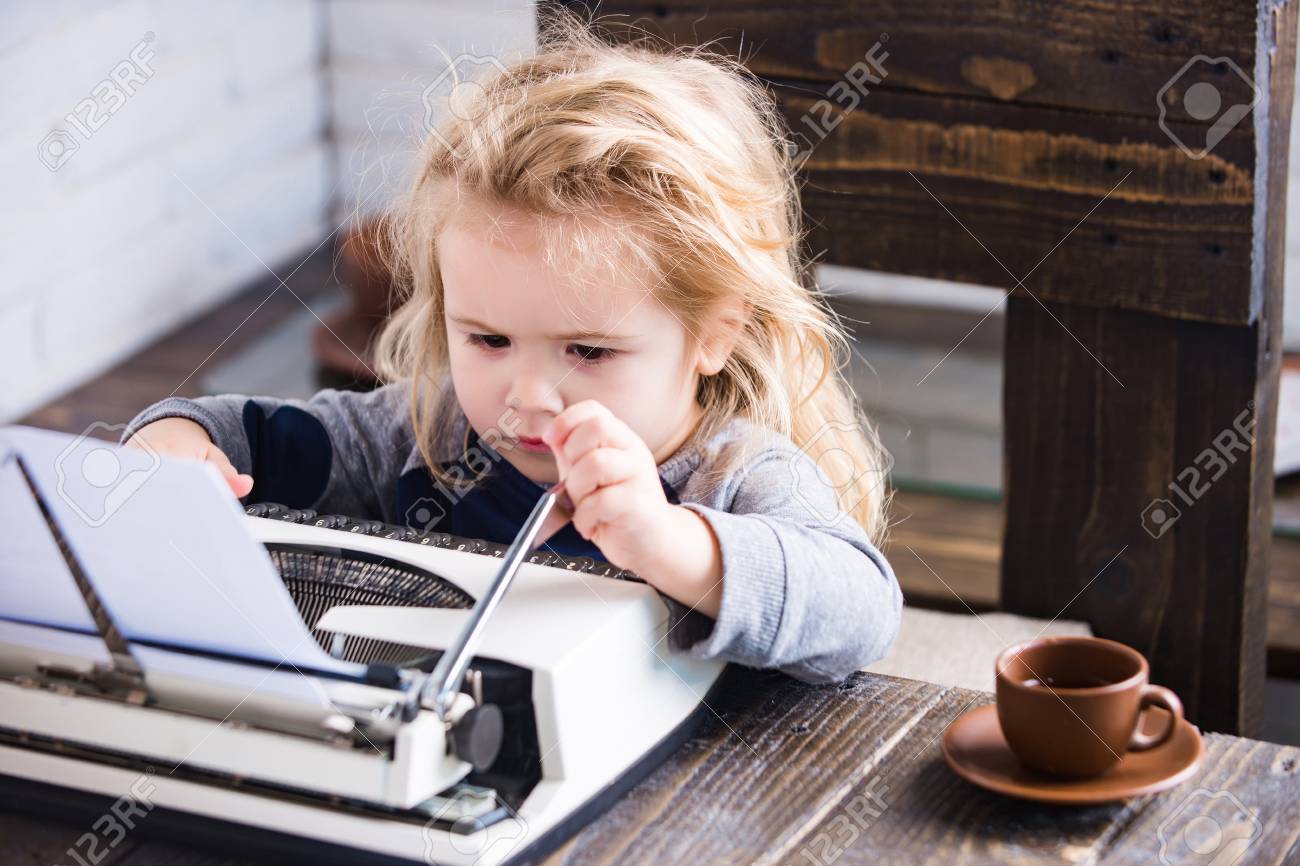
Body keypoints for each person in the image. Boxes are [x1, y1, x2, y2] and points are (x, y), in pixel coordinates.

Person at [123, 14, 901, 684]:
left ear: (714, 335)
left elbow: (862, 616)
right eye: (489, 339)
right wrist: (174, 445)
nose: (529, 396)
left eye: (588, 351)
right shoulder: (425, 437)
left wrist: (672, 545)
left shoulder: (737, 477)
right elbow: (240, 435)